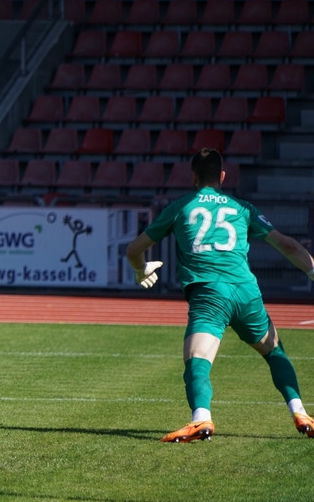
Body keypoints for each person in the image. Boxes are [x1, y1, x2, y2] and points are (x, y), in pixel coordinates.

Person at [125, 147, 314, 442]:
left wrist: (141, 269)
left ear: (193, 177)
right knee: (274, 351)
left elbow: (133, 249)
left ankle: (201, 419)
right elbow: (287, 245)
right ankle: (300, 412)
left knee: (197, 360)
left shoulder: (180, 207)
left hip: (209, 292)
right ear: (222, 177)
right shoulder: (243, 208)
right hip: (246, 292)